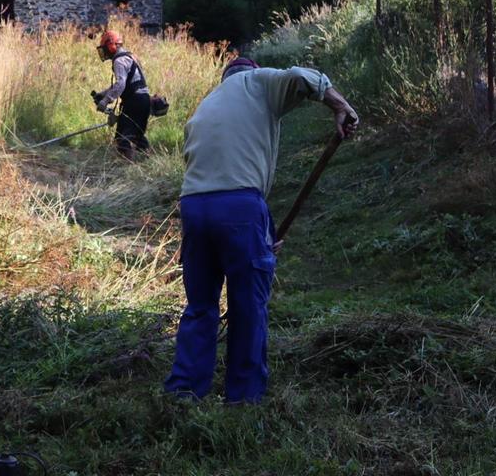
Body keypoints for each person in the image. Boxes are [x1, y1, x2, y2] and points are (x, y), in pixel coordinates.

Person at [165, 56, 359, 404]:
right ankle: (243, 398)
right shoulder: (257, 82)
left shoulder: (206, 105)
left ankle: (184, 391)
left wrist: (260, 238)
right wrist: (341, 105)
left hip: (194, 207)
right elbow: (304, 77)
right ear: (250, 72)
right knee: (248, 305)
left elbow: (215, 170)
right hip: (239, 205)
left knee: (200, 305)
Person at [92, 29, 151, 160]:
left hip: (134, 101)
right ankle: (147, 163)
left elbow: (121, 84)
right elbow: (126, 83)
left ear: (111, 45)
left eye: (105, 48)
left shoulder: (119, 61)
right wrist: (103, 94)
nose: (104, 52)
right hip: (144, 99)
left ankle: (127, 169)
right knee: (137, 135)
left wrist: (105, 101)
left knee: (122, 139)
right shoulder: (130, 56)